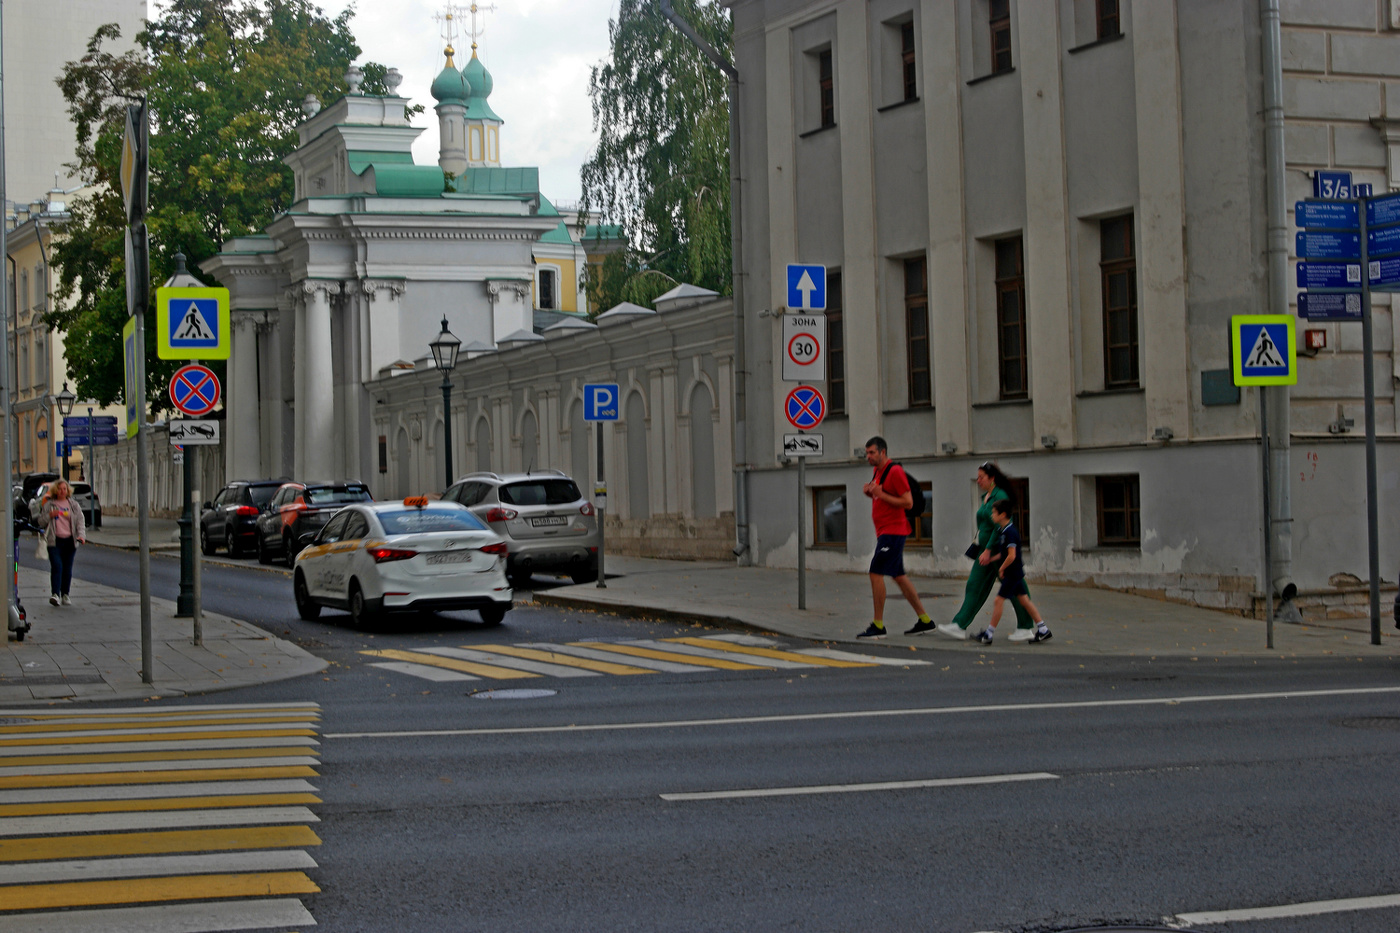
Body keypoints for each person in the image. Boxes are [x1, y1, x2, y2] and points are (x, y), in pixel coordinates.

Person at [937, 461, 1038, 640]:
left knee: (1015, 587)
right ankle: (959, 625)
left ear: (992, 478)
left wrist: (989, 549)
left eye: (981, 477)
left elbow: (1000, 526)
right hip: (985, 550)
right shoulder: (987, 496)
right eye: (977, 477)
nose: (978, 480)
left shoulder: (1000, 496)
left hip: (997, 551)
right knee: (974, 585)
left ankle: (1026, 627)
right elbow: (985, 525)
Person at [857, 436, 934, 639]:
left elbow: (907, 502)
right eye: (867, 453)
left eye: (872, 452)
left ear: (883, 452)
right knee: (899, 577)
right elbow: (881, 496)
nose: (868, 457)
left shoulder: (895, 471)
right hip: (885, 531)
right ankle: (925, 621)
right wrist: (871, 492)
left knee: (875, 573)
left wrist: (880, 494)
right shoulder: (877, 471)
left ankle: (878, 625)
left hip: (893, 532)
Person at [976, 500, 1051, 644]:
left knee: (998, 600)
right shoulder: (1003, 530)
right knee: (1024, 601)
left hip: (1012, 573)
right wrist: (991, 559)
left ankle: (988, 635)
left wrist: (1002, 568)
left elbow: (1011, 556)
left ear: (1002, 515)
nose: (992, 515)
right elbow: (1004, 554)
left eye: (994, 513)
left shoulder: (1010, 532)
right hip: (1015, 572)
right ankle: (1043, 629)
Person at [35, 479, 85, 606]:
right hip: (54, 541)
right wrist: (50, 515)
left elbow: (80, 521)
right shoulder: (49, 505)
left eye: (64, 489)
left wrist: (81, 536)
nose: (62, 491)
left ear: (68, 491)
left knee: (67, 568)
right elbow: (41, 521)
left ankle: (65, 594)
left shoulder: (73, 505)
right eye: (59, 488)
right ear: (55, 490)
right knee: (57, 566)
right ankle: (55, 594)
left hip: (70, 541)